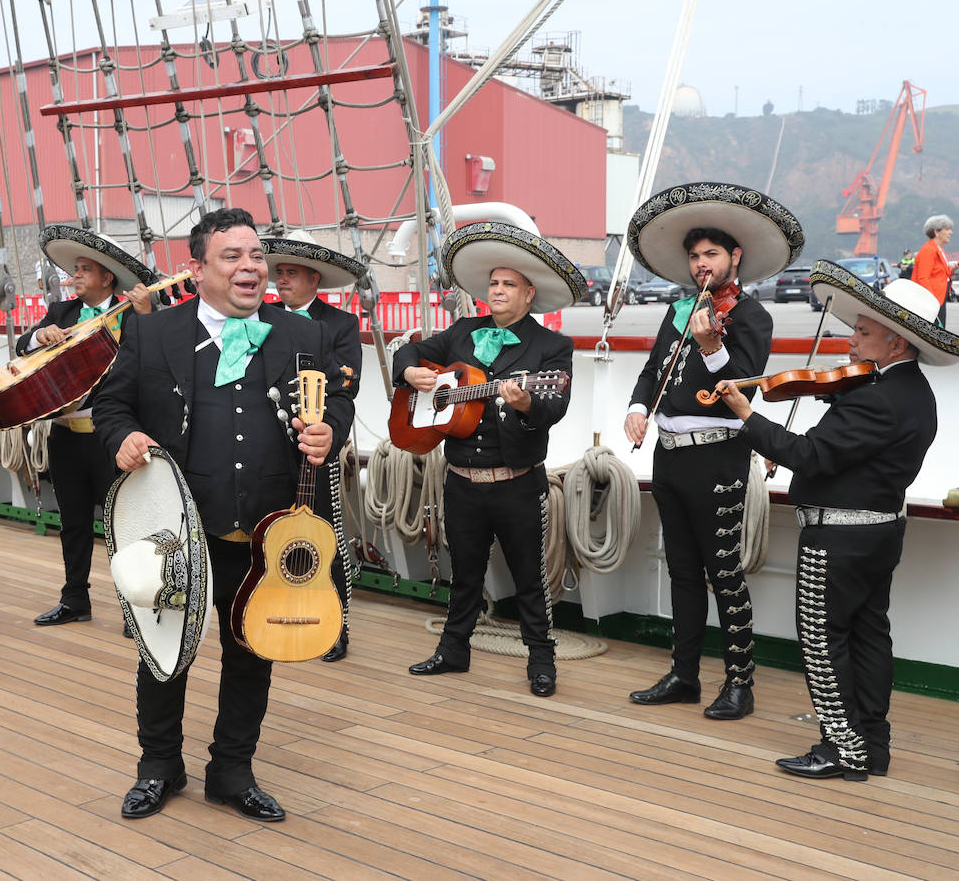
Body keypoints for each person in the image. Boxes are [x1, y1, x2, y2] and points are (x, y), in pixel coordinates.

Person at [92, 207, 353, 822]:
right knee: (163, 652)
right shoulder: (153, 333)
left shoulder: (300, 336)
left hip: (266, 531)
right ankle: (159, 766)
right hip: (176, 530)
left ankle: (231, 772)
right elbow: (110, 404)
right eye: (232, 256)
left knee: (251, 652)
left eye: (256, 256)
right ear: (198, 268)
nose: (250, 267)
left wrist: (330, 432)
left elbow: (336, 399)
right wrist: (122, 438)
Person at [716, 269, 958, 780]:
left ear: (896, 342)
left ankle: (842, 748)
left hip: (839, 537)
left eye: (863, 333)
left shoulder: (876, 399)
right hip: (880, 532)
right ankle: (874, 745)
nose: (851, 341)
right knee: (871, 635)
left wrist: (747, 415)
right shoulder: (911, 393)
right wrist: (836, 388)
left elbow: (809, 455)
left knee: (822, 639)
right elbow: (849, 437)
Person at [623, 182, 803, 721]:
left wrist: (713, 346)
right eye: (695, 256)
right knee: (680, 570)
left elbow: (742, 392)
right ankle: (684, 674)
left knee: (723, 572)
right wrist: (637, 407)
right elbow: (652, 371)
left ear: (734, 258)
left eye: (712, 255)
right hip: (669, 453)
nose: (702, 265)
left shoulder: (751, 318)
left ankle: (740, 683)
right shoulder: (679, 311)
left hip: (718, 455)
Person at [393, 221, 582, 697]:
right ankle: (454, 650)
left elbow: (553, 407)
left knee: (528, 579)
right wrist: (411, 370)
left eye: (508, 285)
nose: (497, 291)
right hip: (460, 480)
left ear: (528, 294)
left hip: (517, 482)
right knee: (465, 574)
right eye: (493, 283)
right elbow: (410, 349)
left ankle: (541, 662)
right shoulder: (461, 332)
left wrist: (525, 404)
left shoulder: (551, 347)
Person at [20, 225, 154, 630]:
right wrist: (37, 337)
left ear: (106, 278)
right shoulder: (62, 313)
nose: (73, 276)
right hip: (66, 435)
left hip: (111, 439)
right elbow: (21, 346)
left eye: (83, 270)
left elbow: (156, 360)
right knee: (73, 521)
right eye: (73, 269)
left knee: (124, 525)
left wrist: (146, 316)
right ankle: (74, 598)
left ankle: (134, 607)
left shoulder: (134, 313)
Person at [263, 231, 365, 662]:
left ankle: (337, 623)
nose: (281, 280)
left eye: (290, 274)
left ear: (314, 279)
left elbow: (346, 383)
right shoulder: (260, 319)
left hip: (315, 448)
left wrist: (325, 431)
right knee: (269, 535)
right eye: (278, 273)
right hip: (268, 444)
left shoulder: (339, 325)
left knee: (326, 535)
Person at [912, 214, 953, 327]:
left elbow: (942, 273)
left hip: (939, 297)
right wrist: (932, 300)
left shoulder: (939, 249)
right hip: (933, 300)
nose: (951, 233)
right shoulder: (928, 250)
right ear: (936, 232)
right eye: (947, 229)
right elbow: (923, 277)